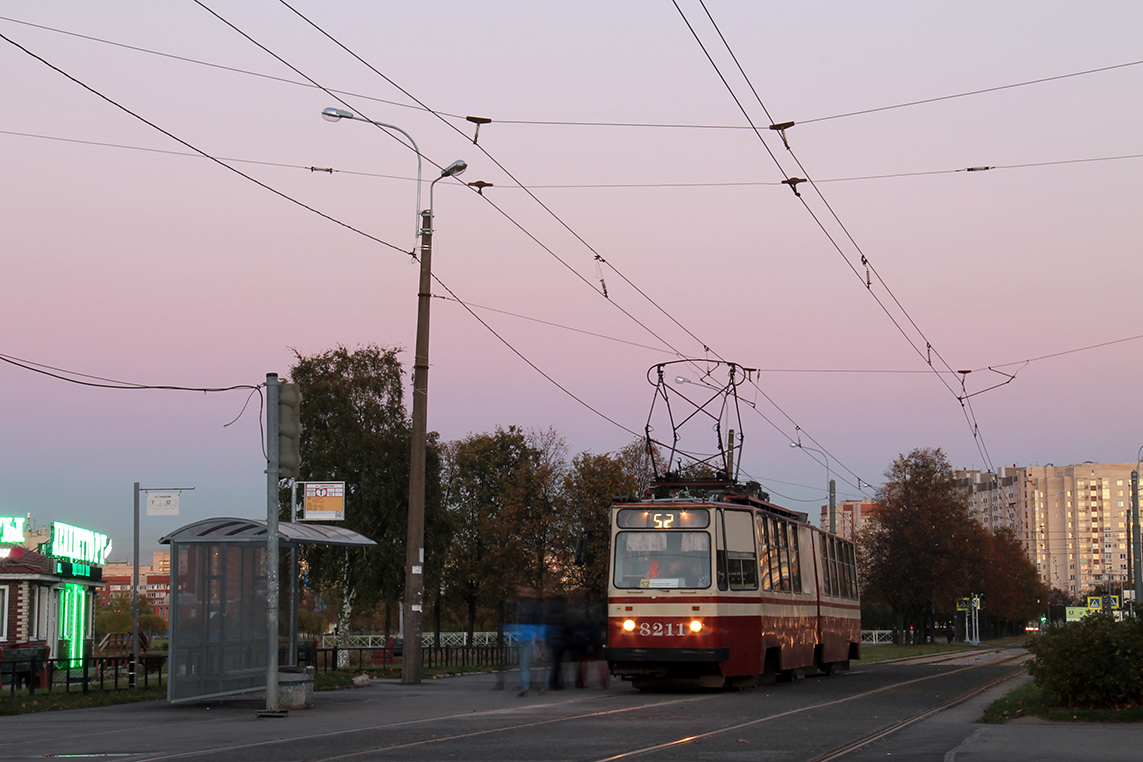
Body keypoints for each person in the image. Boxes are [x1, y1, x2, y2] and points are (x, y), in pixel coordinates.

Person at [507, 585, 542, 696]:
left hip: (526, 636)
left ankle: (524, 685)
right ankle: (524, 683)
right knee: (523, 662)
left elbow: (533, 621)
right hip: (522, 636)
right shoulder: (520, 606)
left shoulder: (527, 606)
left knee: (524, 663)